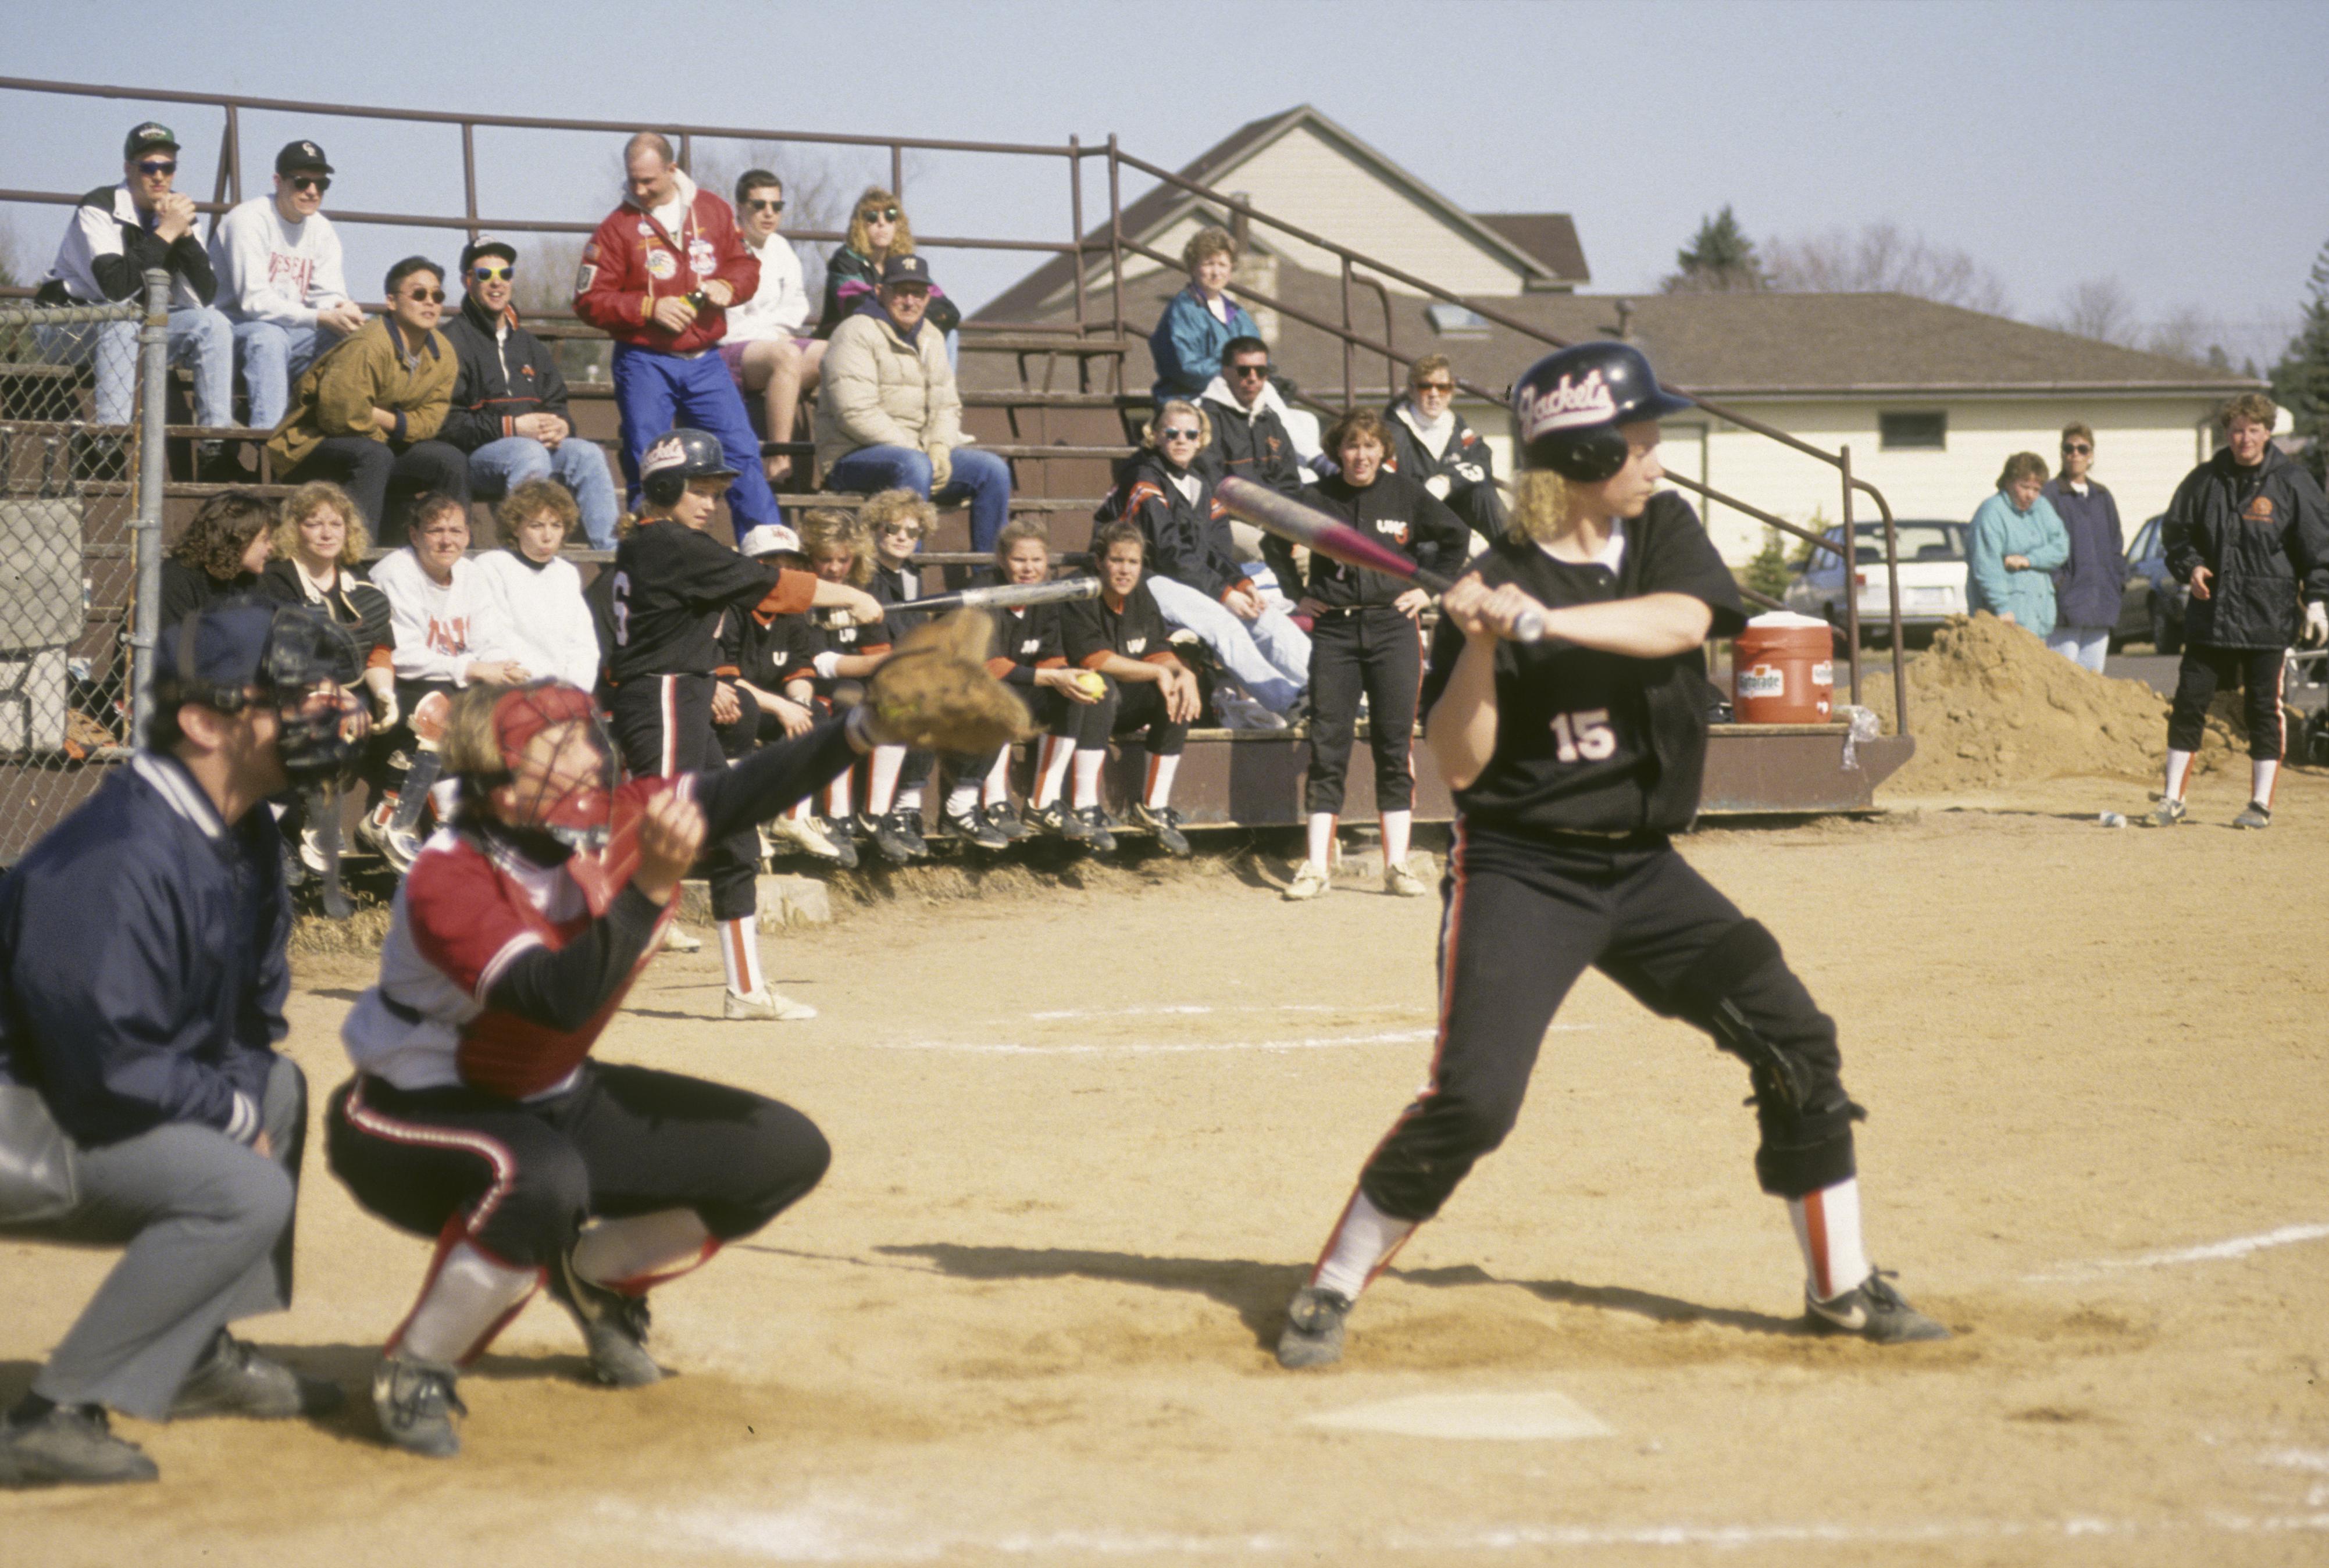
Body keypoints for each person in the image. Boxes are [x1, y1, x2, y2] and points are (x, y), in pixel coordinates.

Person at [1274, 341, 1949, 1372]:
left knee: (1795, 1036)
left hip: (1644, 868)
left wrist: (1549, 621)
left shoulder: (1659, 535)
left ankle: (1843, 1287)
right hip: (1521, 868)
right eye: (1640, 441)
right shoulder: (1496, 580)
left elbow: (1685, 625)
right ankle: (1331, 1284)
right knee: (1477, 1101)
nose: (1659, 458)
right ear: (1585, 456)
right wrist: (1488, 644)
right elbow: (1460, 762)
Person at [324, 647, 1023, 1458]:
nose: (594, 755)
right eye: (565, 746)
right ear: (504, 773)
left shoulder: (616, 816)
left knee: (780, 1150)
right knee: (540, 1180)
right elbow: (557, 999)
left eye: (588, 737)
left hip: (546, 1093)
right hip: (413, 1115)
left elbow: (743, 789)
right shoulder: (454, 873)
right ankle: (416, 1366)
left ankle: (597, 1276)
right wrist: (652, 887)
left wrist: (864, 727)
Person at [0, 599, 363, 1486]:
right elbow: (108, 1060)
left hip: (70, 1094)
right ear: (205, 721)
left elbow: (249, 1021)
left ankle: (193, 1354)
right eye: (296, 696)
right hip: (26, 1109)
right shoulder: (117, 855)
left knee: (275, 1085)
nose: (329, 713)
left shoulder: (241, 837)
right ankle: (50, 1416)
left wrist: (241, 1097)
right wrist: (227, 1113)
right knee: (238, 1187)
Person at [604, 429, 881, 1018]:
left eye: (715, 492)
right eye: (697, 490)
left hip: (689, 692)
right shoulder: (672, 543)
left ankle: (746, 989)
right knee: (658, 831)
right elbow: (771, 585)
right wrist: (851, 598)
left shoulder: (662, 546)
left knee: (734, 837)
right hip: (663, 695)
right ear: (663, 488)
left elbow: (739, 600)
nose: (710, 502)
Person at [1282, 408, 1467, 902]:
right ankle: (1316, 865)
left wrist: (1427, 590)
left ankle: (1397, 864)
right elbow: (1272, 537)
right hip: (1335, 633)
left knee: (1393, 744)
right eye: (1350, 446)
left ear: (1383, 450)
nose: (1360, 455)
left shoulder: (1405, 493)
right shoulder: (1317, 497)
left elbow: (1455, 538)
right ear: (1336, 452)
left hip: (1393, 629)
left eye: (1369, 446)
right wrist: (1296, 593)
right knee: (1328, 744)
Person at [574, 132, 785, 547]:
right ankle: (648, 552)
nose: (639, 189)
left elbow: (746, 265)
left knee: (740, 453)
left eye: (649, 181)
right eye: (632, 180)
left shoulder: (713, 209)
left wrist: (730, 286)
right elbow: (588, 300)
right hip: (645, 359)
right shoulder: (616, 229)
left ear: (672, 170)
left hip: (707, 360)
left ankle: (769, 555)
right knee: (649, 459)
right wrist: (648, 308)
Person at [2145, 392, 2329, 831]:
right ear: (2225, 433)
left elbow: (2318, 549)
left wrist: (2319, 600)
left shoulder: (2292, 481)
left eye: (2252, 429)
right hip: (2210, 617)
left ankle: (2259, 804)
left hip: (2268, 619)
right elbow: (2175, 536)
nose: (2243, 438)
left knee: (2263, 709)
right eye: (2235, 430)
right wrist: (2190, 567)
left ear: (2267, 432)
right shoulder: (2203, 480)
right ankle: (2171, 799)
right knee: (2189, 703)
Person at [37, 121, 233, 472]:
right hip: (66, 326)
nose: (159, 176)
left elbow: (203, 299)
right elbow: (116, 289)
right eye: (148, 167)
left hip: (133, 330)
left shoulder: (178, 214)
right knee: (121, 316)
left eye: (167, 167)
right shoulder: (98, 206)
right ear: (129, 169)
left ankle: (216, 448)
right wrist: (167, 232)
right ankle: (109, 446)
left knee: (214, 324)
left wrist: (185, 237)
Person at [1119, 399, 1311, 720]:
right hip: (1145, 578)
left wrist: (1240, 583)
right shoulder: (1143, 477)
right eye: (1172, 432)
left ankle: (1329, 690)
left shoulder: (1199, 481)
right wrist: (1224, 594)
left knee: (1266, 616)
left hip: (1189, 579)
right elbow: (1170, 554)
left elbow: (1215, 549)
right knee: (1222, 621)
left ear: (1201, 439)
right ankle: (1290, 703)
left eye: (1190, 434)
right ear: (1155, 435)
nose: (1182, 440)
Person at [362, 494, 526, 870]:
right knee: (440, 705)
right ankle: (421, 823)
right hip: (393, 686)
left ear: (468, 535)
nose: (446, 540)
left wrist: (501, 666)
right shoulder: (395, 572)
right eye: (435, 530)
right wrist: (472, 669)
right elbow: (403, 655)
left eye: (455, 530)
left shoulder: (470, 573)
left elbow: (492, 636)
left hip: (453, 679)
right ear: (414, 534)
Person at [816, 255, 1014, 554]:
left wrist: (940, 448)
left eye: (919, 293)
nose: (910, 301)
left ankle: (987, 581)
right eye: (901, 292)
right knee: (915, 465)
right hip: (852, 456)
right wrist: (921, 452)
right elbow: (854, 413)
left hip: (918, 455)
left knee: (992, 471)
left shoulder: (932, 336)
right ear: (881, 291)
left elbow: (947, 406)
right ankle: (908, 577)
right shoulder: (854, 332)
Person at [269, 256, 470, 543]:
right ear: (391, 301)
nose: (430, 302)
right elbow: (341, 416)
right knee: (374, 455)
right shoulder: (369, 344)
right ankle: (359, 558)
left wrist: (381, 417)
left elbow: (430, 422)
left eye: (437, 296)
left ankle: (456, 551)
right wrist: (392, 428)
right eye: (418, 294)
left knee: (449, 460)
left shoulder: (443, 352)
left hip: (380, 446)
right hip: (309, 446)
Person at [258, 481, 400, 880]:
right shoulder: (276, 581)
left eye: (335, 523)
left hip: (349, 696)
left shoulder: (359, 582)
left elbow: (378, 650)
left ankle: (393, 827)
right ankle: (308, 826)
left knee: (425, 718)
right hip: (285, 693)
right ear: (294, 530)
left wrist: (385, 692)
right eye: (313, 523)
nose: (326, 532)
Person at [439, 237, 620, 549]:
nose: (497, 284)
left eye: (504, 275)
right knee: (528, 452)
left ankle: (610, 555)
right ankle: (527, 553)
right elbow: (448, 424)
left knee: (588, 455)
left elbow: (556, 403)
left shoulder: (528, 344)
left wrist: (562, 426)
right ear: (467, 281)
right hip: (477, 458)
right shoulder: (451, 341)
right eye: (485, 276)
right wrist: (511, 428)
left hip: (533, 450)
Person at [960, 520, 1117, 849]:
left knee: (1077, 694)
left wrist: (1065, 676)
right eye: (1020, 560)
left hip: (1023, 682)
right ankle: (994, 804)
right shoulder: (984, 590)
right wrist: (1052, 676)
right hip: (974, 689)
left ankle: (1042, 804)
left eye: (1037, 560)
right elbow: (989, 665)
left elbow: (1050, 654)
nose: (1029, 569)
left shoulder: (1047, 593)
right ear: (1002, 559)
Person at [1059, 521, 1202, 853]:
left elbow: (1158, 650)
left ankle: (1153, 809)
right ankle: (1085, 808)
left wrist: (1184, 674)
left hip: (1124, 703)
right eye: (1117, 560)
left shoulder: (1140, 593)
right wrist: (1156, 672)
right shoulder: (1079, 591)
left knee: (1179, 691)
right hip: (1076, 706)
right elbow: (1094, 659)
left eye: (1133, 562)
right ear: (1099, 561)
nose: (1125, 570)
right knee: (1100, 685)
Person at [208, 139, 363, 434]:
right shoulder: (248, 220)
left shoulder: (321, 228)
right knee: (269, 338)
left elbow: (327, 292)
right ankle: (270, 444)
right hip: (232, 331)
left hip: (288, 331)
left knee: (358, 338)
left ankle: (342, 437)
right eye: (302, 182)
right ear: (278, 181)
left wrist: (343, 309)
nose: (313, 191)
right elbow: (255, 302)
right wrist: (321, 317)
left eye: (322, 184)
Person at [714, 523, 848, 866]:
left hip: (773, 706)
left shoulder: (793, 611)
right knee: (741, 710)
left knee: (815, 714)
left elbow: (799, 670)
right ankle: (742, 823)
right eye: (772, 563)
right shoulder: (730, 608)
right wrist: (783, 708)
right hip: (727, 706)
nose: (783, 574)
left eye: (791, 565)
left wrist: (800, 703)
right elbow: (726, 678)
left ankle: (791, 819)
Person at [780, 509, 890, 862]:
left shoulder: (865, 588)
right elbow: (817, 663)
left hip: (855, 680)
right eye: (825, 559)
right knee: (852, 707)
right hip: (809, 685)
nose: (835, 568)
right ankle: (837, 818)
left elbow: (878, 650)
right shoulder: (799, 592)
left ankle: (878, 816)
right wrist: (878, 664)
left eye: (844, 560)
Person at [721, 170, 823, 485]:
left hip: (774, 344)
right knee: (786, 356)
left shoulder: (781, 249)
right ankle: (779, 458)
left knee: (835, 353)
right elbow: (729, 325)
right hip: (731, 353)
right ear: (740, 207)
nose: (769, 213)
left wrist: (775, 332)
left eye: (776, 207)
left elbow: (797, 306)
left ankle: (837, 456)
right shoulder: (724, 248)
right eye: (759, 205)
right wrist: (774, 334)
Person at [473, 480, 605, 691]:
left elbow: (583, 645)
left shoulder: (567, 573)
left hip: (564, 695)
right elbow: (490, 640)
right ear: (516, 528)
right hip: (514, 691)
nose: (547, 536)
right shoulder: (492, 566)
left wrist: (573, 692)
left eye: (556, 525)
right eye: (536, 526)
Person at [1385, 353, 1507, 547]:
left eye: (1442, 387)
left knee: (1484, 495)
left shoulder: (1457, 425)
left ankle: (1518, 561)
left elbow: (1482, 460)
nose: (1434, 394)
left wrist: (1447, 481)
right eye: (1426, 386)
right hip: (1413, 521)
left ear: (1451, 392)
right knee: (1429, 549)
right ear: (1411, 390)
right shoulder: (1391, 431)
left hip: (1453, 514)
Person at [812, 187, 962, 342]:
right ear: (860, 225)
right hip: (847, 341)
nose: (882, 223)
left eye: (890, 216)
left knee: (949, 334)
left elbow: (948, 310)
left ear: (897, 224)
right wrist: (908, 317)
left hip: (895, 334)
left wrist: (913, 319)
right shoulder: (845, 260)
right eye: (872, 217)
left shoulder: (904, 264)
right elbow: (859, 307)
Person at [2039, 423, 2125, 673]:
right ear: (2062, 454)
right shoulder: (2050, 495)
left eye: (2081, 448)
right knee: (2063, 677)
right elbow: (2041, 544)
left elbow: (2116, 546)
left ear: (2091, 455)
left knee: (2093, 679)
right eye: (2069, 448)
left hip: (2102, 603)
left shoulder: (2102, 496)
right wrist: (2059, 583)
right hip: (2066, 606)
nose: (2075, 454)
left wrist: (2116, 583)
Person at [1149, 226, 1259, 406]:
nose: (1216, 273)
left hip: (1234, 395)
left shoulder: (1237, 314)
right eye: (1209, 264)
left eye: (1223, 265)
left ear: (1231, 269)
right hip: (1189, 400)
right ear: (1193, 268)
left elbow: (1259, 357)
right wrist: (1234, 370)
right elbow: (1186, 370)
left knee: (1305, 419)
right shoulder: (1183, 310)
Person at [1966, 453, 2070, 639]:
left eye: (2036, 489)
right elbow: (1986, 566)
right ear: (2008, 482)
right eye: (2024, 487)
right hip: (2007, 622)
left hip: (2039, 621)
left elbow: (2061, 547)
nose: (2031, 495)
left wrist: (2028, 560)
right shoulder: (1991, 513)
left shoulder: (2042, 508)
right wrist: (2002, 607)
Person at [160, 490, 274, 630]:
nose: (271, 547)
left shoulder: (249, 581)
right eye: (265, 539)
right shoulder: (177, 578)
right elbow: (175, 644)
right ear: (238, 538)